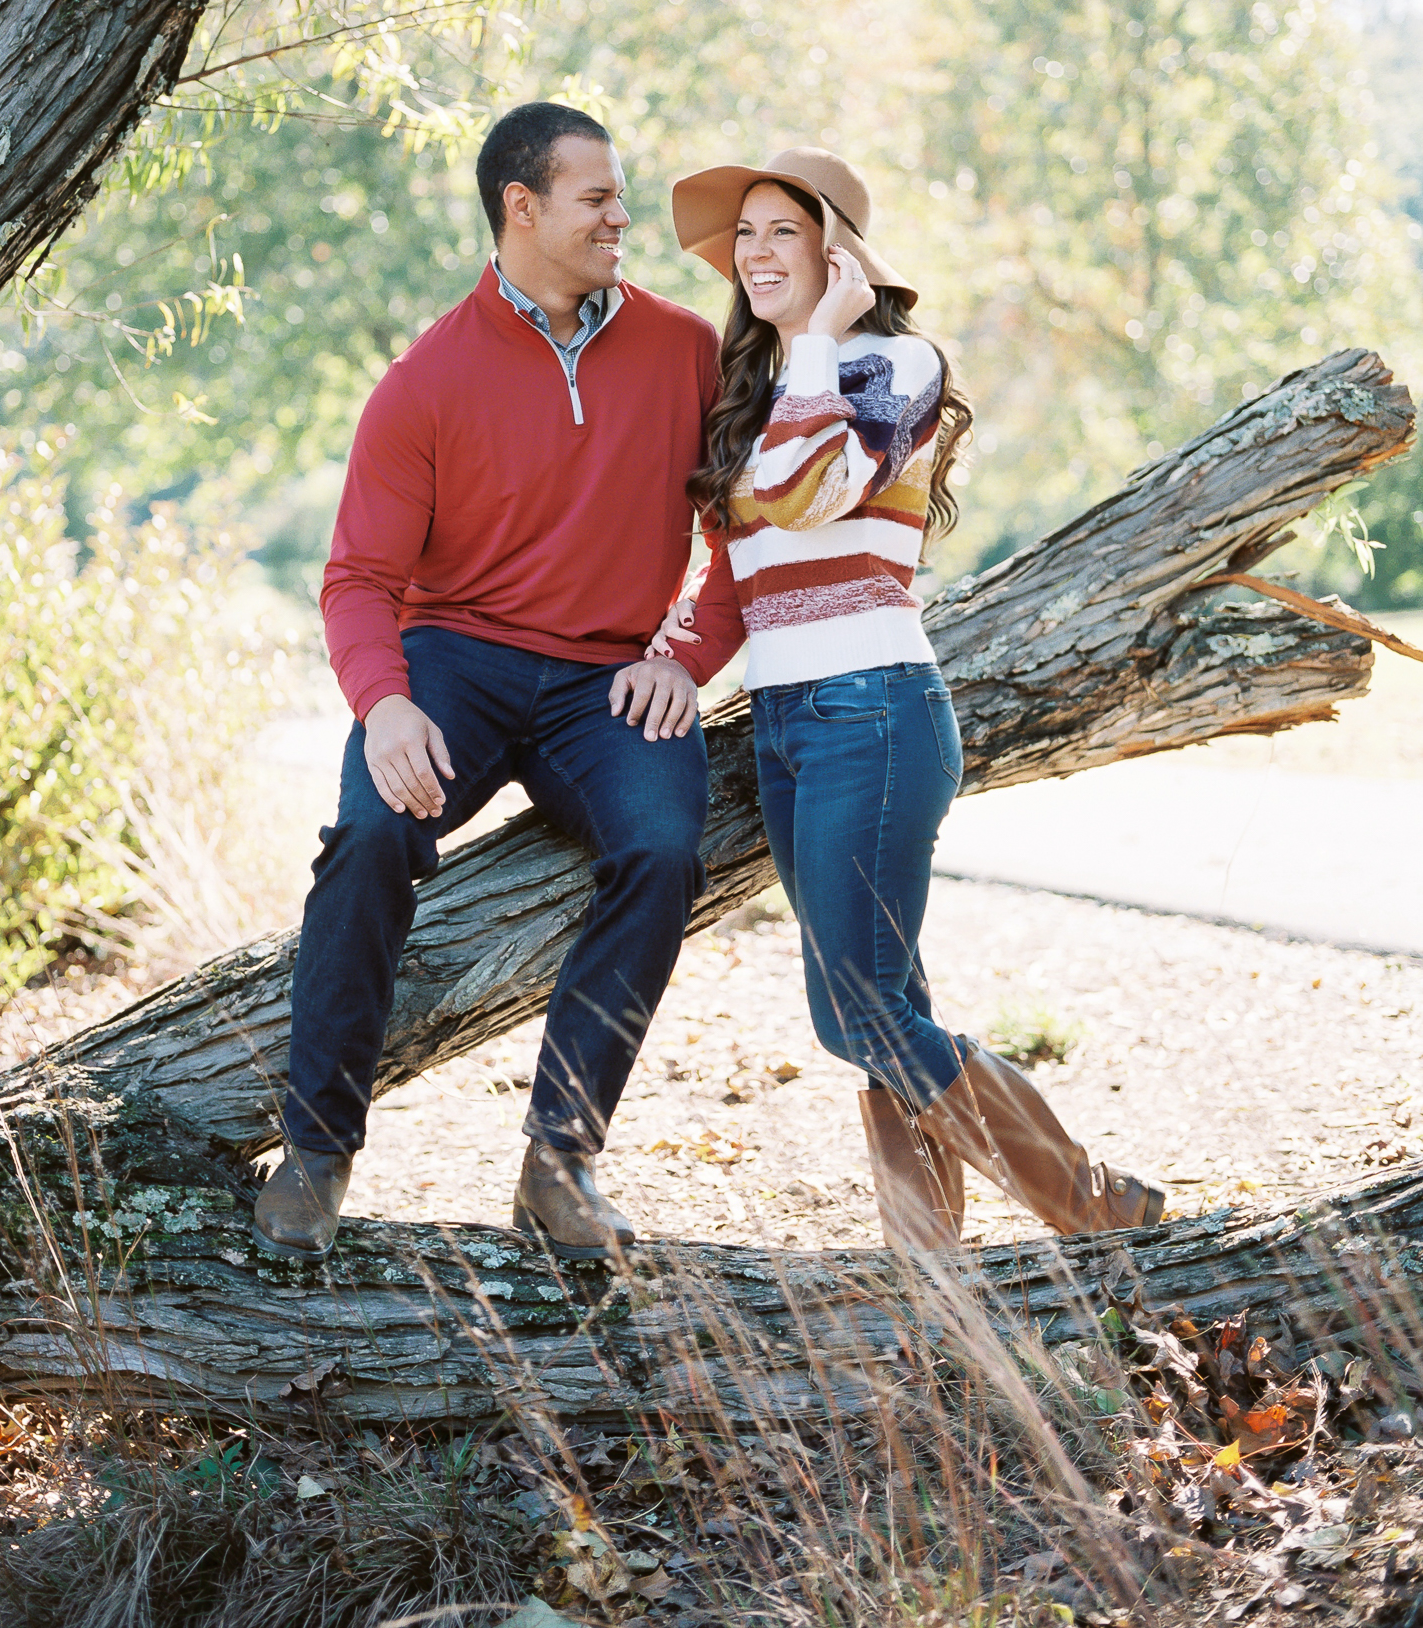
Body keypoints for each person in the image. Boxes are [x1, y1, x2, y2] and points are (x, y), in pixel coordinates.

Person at [650, 146, 1164, 1251]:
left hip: (871, 710)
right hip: (788, 725)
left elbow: (802, 492)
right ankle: (925, 1264)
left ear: (837, 250)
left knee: (862, 1010)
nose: (751, 253)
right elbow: (737, 583)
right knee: (881, 1006)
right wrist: (668, 669)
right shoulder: (762, 391)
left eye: (780, 229)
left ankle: (1097, 1206)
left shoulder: (891, 364)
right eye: (742, 235)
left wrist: (820, 343)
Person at [255, 102, 713, 1263]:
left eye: (620, 194)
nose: (623, 216)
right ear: (522, 206)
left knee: (661, 850)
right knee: (367, 833)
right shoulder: (427, 378)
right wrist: (385, 700)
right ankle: (317, 1149)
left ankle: (560, 1163)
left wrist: (686, 656)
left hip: (610, 675)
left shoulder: (683, 351)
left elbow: (746, 535)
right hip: (453, 660)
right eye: (597, 197)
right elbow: (358, 577)